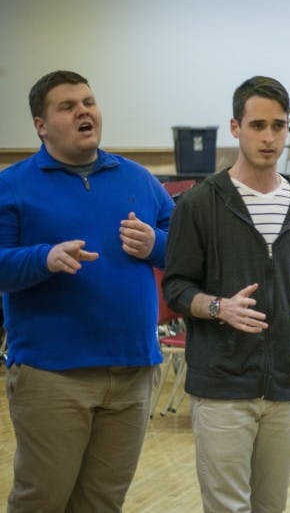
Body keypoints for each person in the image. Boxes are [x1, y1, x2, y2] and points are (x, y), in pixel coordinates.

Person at [0, 70, 174, 512]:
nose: (84, 111)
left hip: (133, 370)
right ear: (41, 125)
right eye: (68, 105)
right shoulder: (13, 185)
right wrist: (44, 258)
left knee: (103, 501)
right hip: (53, 376)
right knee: (43, 499)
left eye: (89, 102)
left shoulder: (138, 179)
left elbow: (188, 250)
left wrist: (157, 245)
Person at [162, 76, 290, 512]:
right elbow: (176, 287)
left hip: (282, 386)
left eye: (278, 126)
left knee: (271, 506)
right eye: (258, 125)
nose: (269, 137)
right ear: (235, 127)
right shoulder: (199, 204)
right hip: (221, 386)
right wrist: (220, 307)